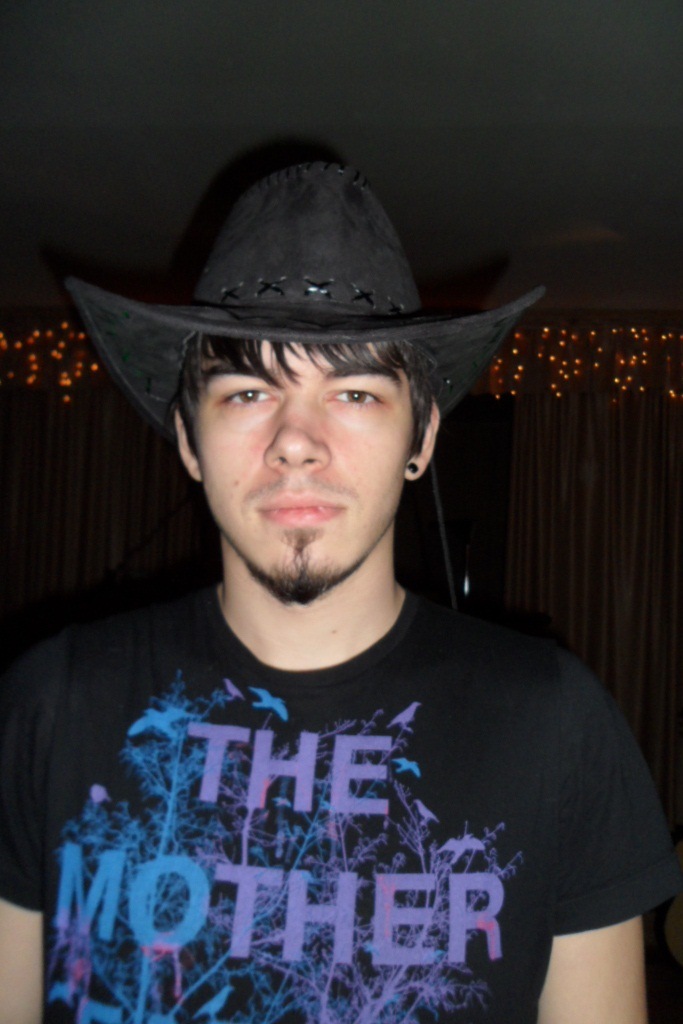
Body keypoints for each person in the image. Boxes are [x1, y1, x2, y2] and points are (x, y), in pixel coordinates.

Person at [0, 162, 680, 1024]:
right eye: (248, 391)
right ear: (188, 439)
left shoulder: (554, 723)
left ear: (421, 437)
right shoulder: (53, 702)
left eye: (353, 392)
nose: (297, 441)